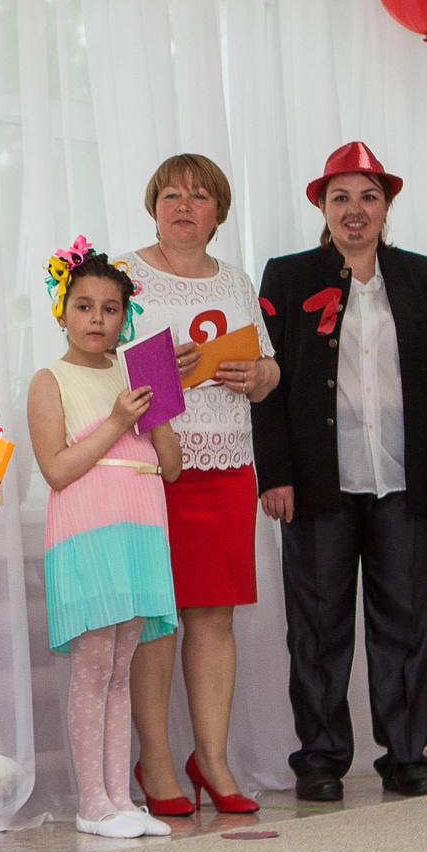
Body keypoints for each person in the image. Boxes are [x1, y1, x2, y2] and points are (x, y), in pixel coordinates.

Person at [253, 142, 427, 802]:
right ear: (321, 204)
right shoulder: (288, 277)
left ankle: (407, 754)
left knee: (406, 620)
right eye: (340, 197)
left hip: (407, 475)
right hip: (319, 479)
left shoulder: (419, 275)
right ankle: (320, 756)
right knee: (317, 625)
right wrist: (276, 472)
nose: (355, 210)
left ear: (387, 206)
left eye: (368, 197)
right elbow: (267, 381)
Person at [121, 155, 276, 817]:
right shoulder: (125, 274)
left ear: (220, 210)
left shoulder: (236, 280)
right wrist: (163, 377)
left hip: (228, 462)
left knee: (214, 615)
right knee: (157, 618)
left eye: (200, 195)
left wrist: (254, 374)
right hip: (155, 464)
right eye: (172, 194)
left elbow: (271, 371)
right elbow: (98, 359)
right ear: (154, 203)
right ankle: (155, 759)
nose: (184, 204)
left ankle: (210, 757)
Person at [27, 239, 179, 839]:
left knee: (123, 665)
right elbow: (57, 470)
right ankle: (92, 802)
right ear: (62, 311)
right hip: (87, 531)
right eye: (84, 306)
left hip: (141, 526)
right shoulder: (50, 380)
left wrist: (158, 408)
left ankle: (120, 799)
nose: (97, 319)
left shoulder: (135, 375)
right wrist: (117, 421)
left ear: (126, 316)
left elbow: (170, 466)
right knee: (94, 666)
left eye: (110, 308)